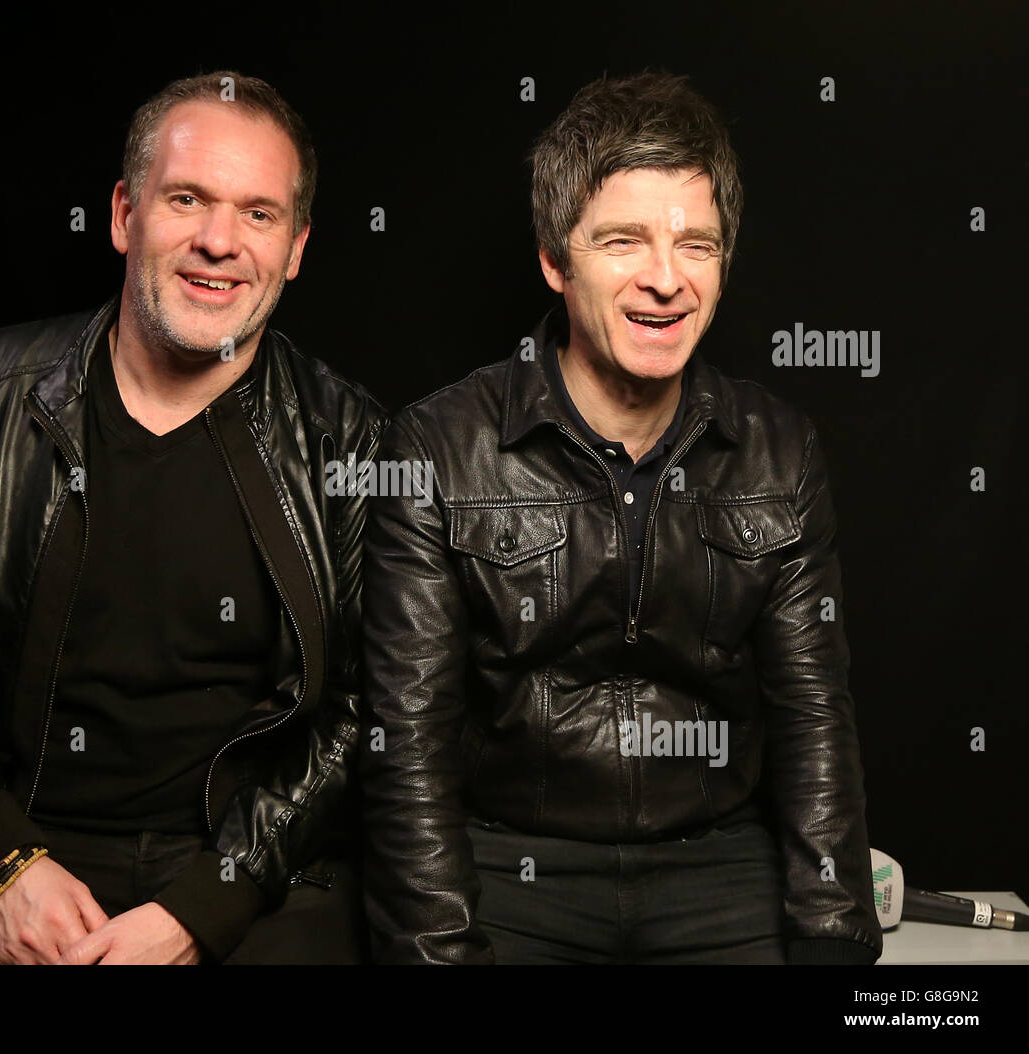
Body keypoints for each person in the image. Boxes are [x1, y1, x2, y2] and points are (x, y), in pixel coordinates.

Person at [0, 70, 387, 965]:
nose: (220, 241)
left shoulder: (351, 440)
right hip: (18, 835)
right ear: (123, 215)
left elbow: (366, 707)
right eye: (187, 199)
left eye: (258, 214)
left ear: (295, 248)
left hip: (252, 861)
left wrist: (212, 901)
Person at [360, 71, 884, 964]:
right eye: (624, 241)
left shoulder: (779, 450)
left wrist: (834, 948)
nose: (666, 280)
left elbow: (812, 720)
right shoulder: (437, 446)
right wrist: (436, 953)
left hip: (719, 868)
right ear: (554, 260)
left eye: (697, 244)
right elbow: (405, 743)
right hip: (509, 867)